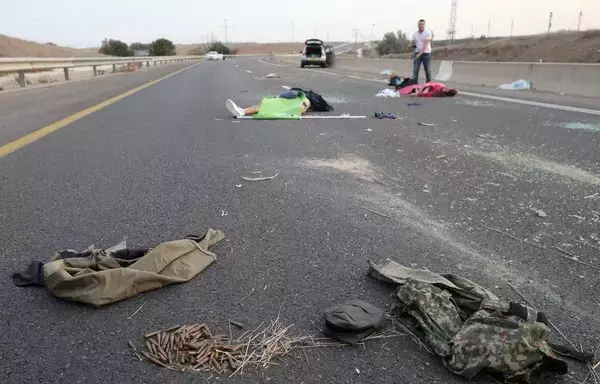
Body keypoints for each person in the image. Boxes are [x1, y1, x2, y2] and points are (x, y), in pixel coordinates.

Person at [226, 89, 310, 118]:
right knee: (264, 106)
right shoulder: (305, 101)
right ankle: (242, 111)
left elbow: (287, 95)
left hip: (294, 104)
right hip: (297, 105)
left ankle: (242, 111)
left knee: (264, 105)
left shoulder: (301, 97)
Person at [411, 19, 434, 83]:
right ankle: (414, 85)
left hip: (426, 53)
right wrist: (414, 50)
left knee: (427, 70)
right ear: (418, 25)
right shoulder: (415, 34)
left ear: (424, 25)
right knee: (415, 70)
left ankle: (428, 83)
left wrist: (420, 54)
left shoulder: (428, 32)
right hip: (417, 53)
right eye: (419, 24)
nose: (421, 25)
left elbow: (425, 45)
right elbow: (413, 43)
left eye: (422, 24)